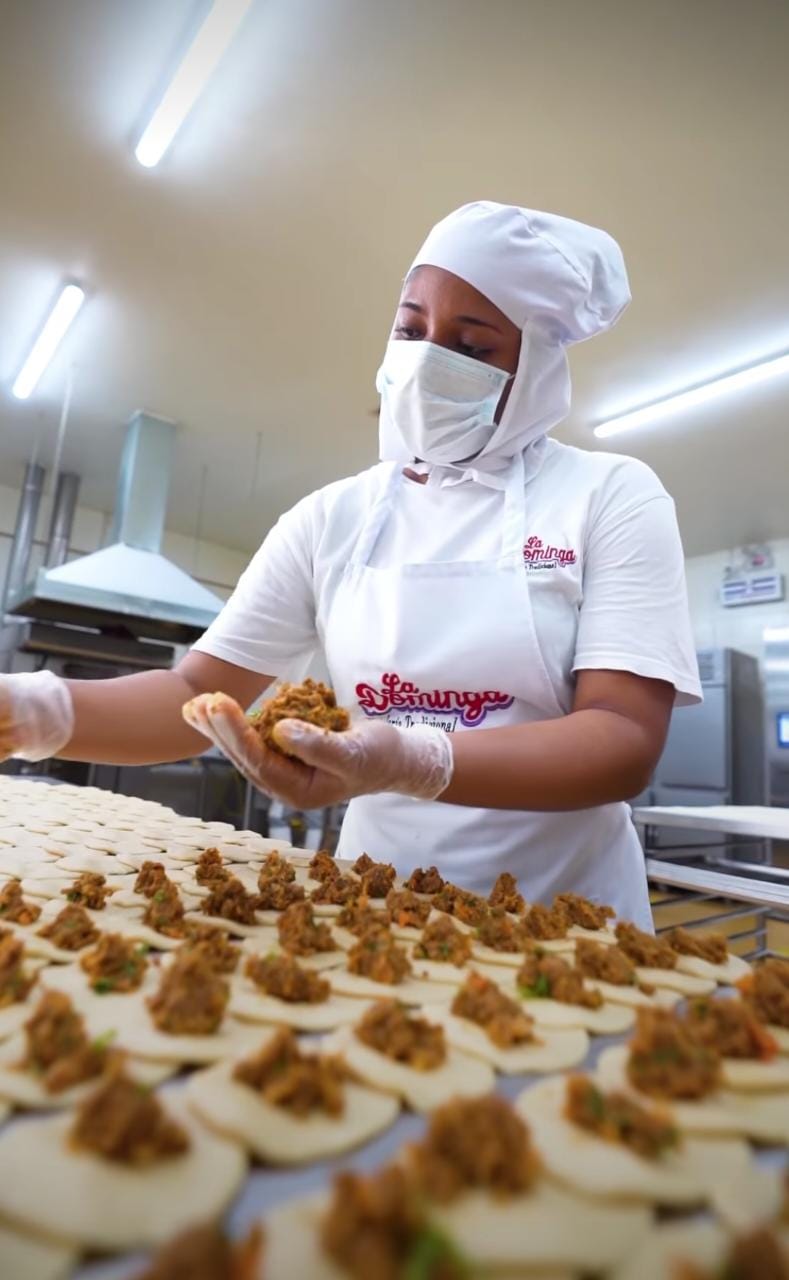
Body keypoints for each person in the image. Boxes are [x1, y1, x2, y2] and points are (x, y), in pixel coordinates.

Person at [0, 202, 701, 926]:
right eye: (410, 329)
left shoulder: (607, 495)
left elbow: (620, 737)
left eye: (473, 345)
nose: (429, 358)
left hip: (567, 919)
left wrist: (409, 760)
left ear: (533, 364)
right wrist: (27, 711)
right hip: (374, 907)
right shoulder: (330, 519)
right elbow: (196, 695)